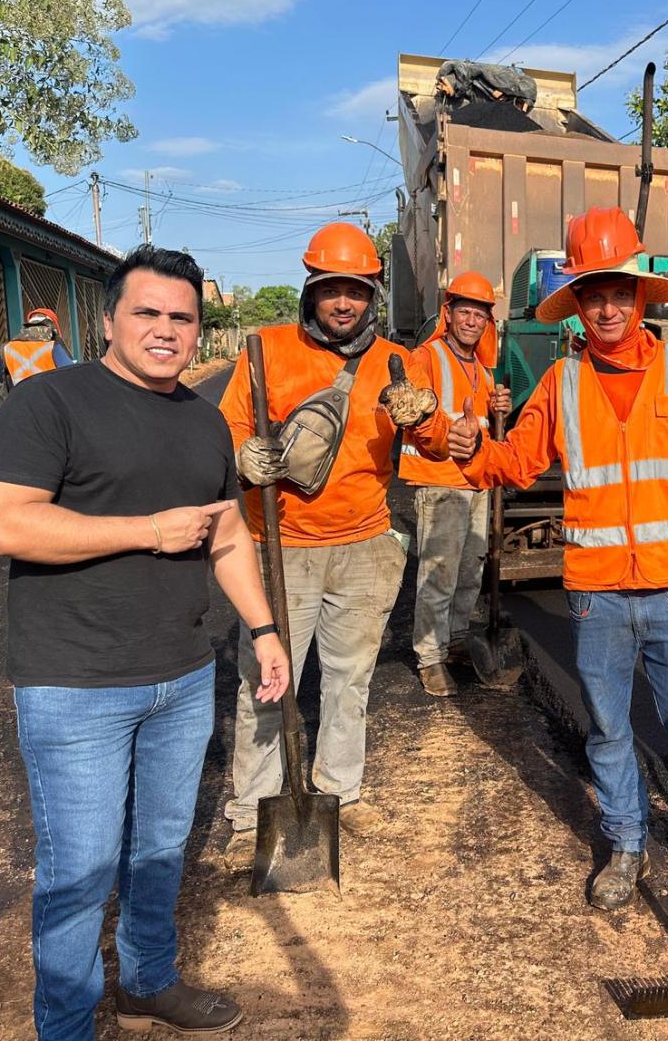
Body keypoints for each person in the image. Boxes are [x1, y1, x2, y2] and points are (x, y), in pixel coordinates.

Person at [0, 246, 291, 1040]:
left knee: (158, 850)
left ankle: (148, 981)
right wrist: (147, 530)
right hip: (74, 683)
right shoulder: (49, 402)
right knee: (79, 871)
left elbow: (227, 535)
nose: (165, 329)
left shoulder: (204, 420)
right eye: (147, 312)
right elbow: (5, 524)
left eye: (182, 317)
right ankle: (67, 1024)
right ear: (109, 320)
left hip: (180, 678)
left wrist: (263, 628)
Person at [447, 206, 668, 911]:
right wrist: (468, 450)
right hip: (596, 596)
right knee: (610, 730)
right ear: (578, 304)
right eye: (595, 296)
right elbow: (514, 462)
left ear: (640, 297)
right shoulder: (561, 383)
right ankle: (626, 843)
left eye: (621, 293)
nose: (609, 308)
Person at [219, 221, 450, 864]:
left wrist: (425, 417)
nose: (343, 303)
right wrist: (241, 456)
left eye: (356, 290)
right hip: (280, 547)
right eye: (331, 289)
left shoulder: (398, 361)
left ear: (373, 294)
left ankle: (340, 788)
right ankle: (253, 807)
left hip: (365, 545)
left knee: (350, 679)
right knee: (267, 681)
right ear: (311, 291)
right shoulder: (266, 349)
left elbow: (435, 448)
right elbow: (229, 424)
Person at [399, 271, 512, 696]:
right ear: (448, 314)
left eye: (480, 316)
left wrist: (500, 410)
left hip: (475, 482)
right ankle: (430, 657)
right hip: (440, 480)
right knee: (439, 574)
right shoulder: (426, 358)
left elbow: (482, 425)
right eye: (465, 312)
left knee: (470, 569)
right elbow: (418, 416)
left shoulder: (481, 370)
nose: (472, 321)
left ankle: (457, 637)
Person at [1, 307, 77, 389]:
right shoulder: (52, 346)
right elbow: (71, 374)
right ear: (51, 327)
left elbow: (5, 380)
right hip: (50, 395)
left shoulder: (7, 348)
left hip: (21, 396)